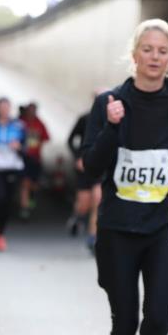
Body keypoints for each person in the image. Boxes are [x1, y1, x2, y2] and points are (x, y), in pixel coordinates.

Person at [81, 19, 168, 335]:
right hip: (118, 229)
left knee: (157, 316)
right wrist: (111, 127)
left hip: (164, 228)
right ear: (134, 54)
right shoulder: (109, 102)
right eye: (147, 49)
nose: (154, 57)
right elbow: (90, 166)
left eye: (162, 50)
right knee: (123, 320)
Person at [0, 98, 25, 251]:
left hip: (11, 166)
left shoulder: (18, 125)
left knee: (7, 202)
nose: (4, 110)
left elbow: (27, 146)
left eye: (7, 108)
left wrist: (19, 147)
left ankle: (1, 234)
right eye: (2, 108)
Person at [66, 103, 102, 251]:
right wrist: (78, 158)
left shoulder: (115, 119)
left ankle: (93, 236)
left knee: (97, 200)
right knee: (84, 204)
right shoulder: (85, 118)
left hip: (102, 166)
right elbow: (70, 140)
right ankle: (77, 216)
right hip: (85, 166)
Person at [19, 101, 51, 220]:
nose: (31, 112)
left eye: (33, 110)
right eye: (30, 110)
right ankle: (24, 209)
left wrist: (37, 142)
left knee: (34, 185)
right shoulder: (21, 122)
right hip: (23, 157)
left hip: (35, 158)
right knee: (25, 183)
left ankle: (31, 196)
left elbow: (46, 138)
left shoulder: (40, 123)